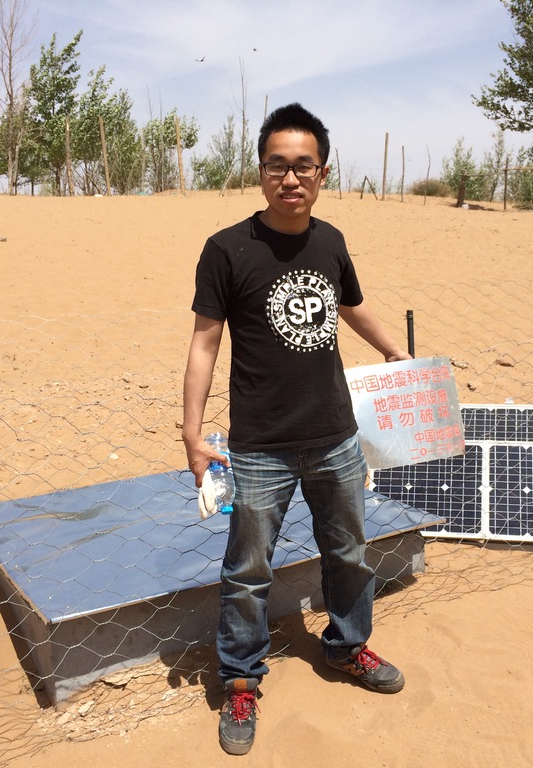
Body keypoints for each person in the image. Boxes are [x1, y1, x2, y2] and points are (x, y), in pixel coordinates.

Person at [182, 102, 412, 756]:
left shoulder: (331, 242)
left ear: (322, 173)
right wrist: (192, 433)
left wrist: (396, 353)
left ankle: (346, 647)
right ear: (260, 172)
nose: (291, 178)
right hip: (258, 448)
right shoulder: (227, 250)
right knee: (248, 570)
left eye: (303, 166)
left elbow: (351, 306)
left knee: (348, 554)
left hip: (336, 437)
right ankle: (241, 680)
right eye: (277, 166)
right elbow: (204, 344)